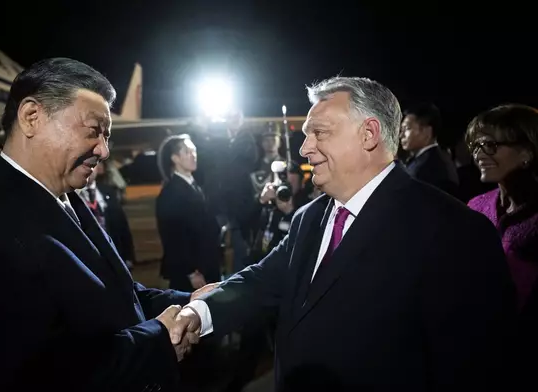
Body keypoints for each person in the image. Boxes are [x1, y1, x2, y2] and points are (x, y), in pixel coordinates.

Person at [171, 77, 515, 391]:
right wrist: (198, 313)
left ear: (369, 134)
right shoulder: (308, 218)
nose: (305, 148)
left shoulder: (454, 231)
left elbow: (474, 368)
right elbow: (263, 280)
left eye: (319, 133)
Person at [0, 58, 215, 392]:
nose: (104, 151)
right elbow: (35, 374)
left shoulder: (61, 194)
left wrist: (189, 299)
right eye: (94, 131)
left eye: (106, 136)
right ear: (32, 117)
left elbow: (117, 296)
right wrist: (158, 340)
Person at [465, 104, 538, 389]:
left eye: (491, 145)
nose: (479, 154)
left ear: (527, 152)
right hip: (474, 348)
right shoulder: (476, 206)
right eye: (476, 145)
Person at [155, 134, 222, 291]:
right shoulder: (170, 193)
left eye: (194, 151)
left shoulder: (194, 186)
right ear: (175, 158)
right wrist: (191, 272)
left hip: (207, 264)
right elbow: (173, 237)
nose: (194, 156)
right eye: (187, 152)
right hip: (191, 273)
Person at [400, 103, 459, 197]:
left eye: (407, 128)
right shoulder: (424, 160)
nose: (401, 135)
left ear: (426, 131)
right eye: (401, 129)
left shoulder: (431, 166)